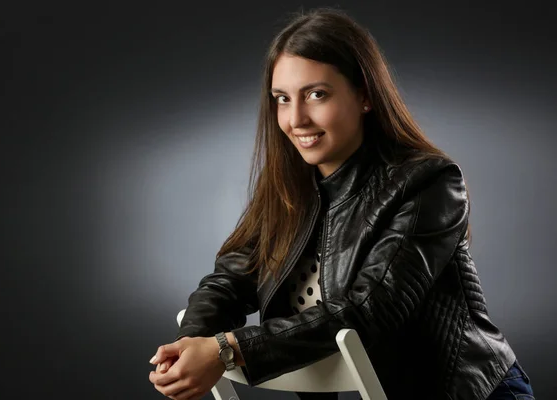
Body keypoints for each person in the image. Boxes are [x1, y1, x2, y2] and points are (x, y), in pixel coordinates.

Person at [148, 7, 535, 400]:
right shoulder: (287, 184)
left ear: (365, 96)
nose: (295, 119)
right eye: (282, 99)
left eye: (317, 94)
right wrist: (188, 344)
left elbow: (368, 312)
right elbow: (231, 278)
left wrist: (227, 349)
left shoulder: (430, 182)